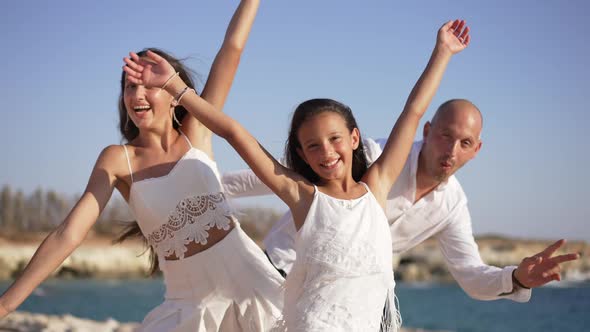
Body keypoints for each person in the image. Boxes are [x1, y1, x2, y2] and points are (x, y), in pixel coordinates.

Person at [122, 18, 471, 331]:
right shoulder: (303, 196)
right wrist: (176, 89)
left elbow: (413, 112)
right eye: (313, 146)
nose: (327, 152)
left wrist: (442, 53)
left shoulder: (377, 186)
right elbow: (234, 133)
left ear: (354, 139)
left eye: (335, 140)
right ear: (301, 154)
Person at [0, 1, 285, 331]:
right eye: (130, 85)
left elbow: (232, 49)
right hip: (189, 310)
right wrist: (6, 304)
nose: (138, 92)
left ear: (175, 93)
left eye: (151, 84)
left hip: (255, 289)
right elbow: (70, 233)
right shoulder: (118, 159)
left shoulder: (197, 130)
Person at [224, 99, 581, 302]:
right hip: (283, 272)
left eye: (465, 144)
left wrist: (515, 276)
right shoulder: (375, 155)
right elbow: (281, 178)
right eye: (445, 136)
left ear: (477, 150)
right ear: (427, 131)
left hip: (352, 295)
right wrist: (203, 189)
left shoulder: (452, 205)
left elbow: (471, 276)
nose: (451, 151)